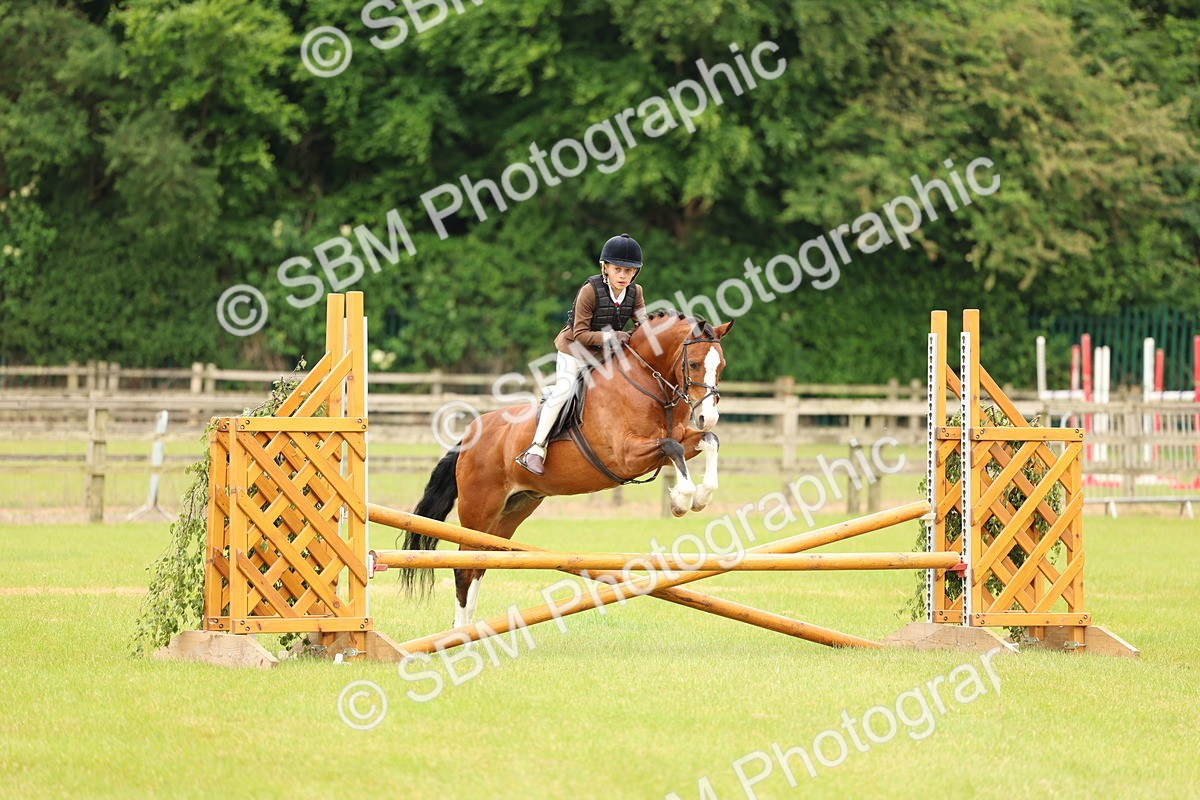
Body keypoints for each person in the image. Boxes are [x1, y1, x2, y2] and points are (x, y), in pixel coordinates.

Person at [516, 233, 648, 476]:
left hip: (604, 355)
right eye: (618, 269)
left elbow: (643, 326)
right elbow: (580, 334)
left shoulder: (635, 292)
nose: (623, 276)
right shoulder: (590, 290)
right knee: (564, 391)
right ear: (605, 267)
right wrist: (612, 336)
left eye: (629, 271)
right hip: (574, 351)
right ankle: (535, 449)